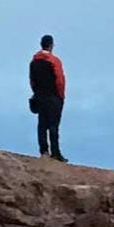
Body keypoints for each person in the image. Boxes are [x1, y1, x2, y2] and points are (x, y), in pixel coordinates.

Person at [29, 34, 67, 162]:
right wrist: (61, 96)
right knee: (53, 125)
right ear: (50, 45)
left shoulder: (34, 61)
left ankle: (44, 151)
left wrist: (36, 93)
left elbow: (32, 80)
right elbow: (60, 80)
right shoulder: (55, 61)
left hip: (40, 96)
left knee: (42, 124)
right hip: (53, 96)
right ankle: (56, 153)